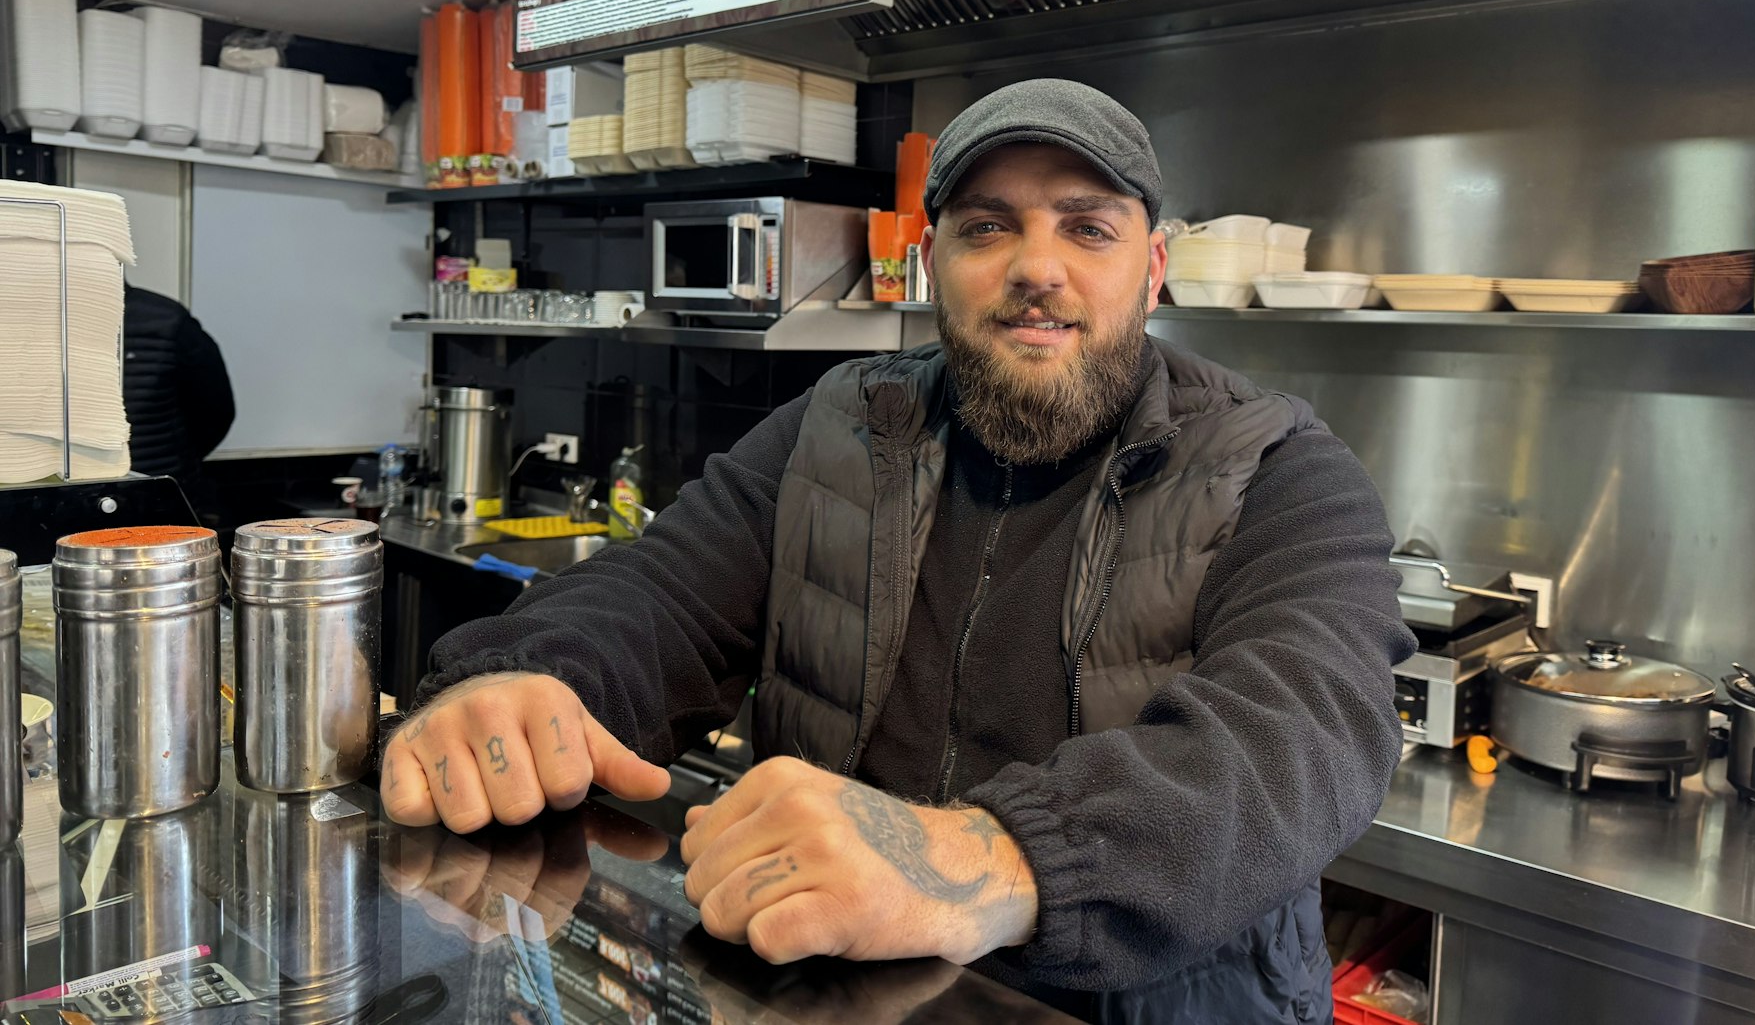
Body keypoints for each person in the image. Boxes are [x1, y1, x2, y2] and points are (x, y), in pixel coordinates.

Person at [383, 79, 1415, 1023]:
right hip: (844, 997)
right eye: (986, 226)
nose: (1035, 268)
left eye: (1087, 228)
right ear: (932, 264)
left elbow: (1305, 729)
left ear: (1150, 270)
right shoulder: (835, 426)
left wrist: (990, 851)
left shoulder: (1274, 463)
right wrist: (528, 677)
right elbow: (660, 594)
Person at [123, 282, 236, 486]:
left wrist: (181, 456)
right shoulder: (50, 318)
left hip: (163, 486)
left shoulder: (166, 320)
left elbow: (216, 409)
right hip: (67, 493)